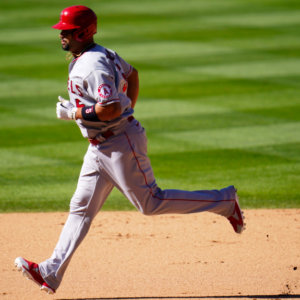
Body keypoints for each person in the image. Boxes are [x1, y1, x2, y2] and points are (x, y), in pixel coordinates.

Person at [14, 5, 245, 295]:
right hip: (100, 147)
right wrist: (129, 108)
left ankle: (224, 201)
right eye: (62, 30)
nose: (61, 34)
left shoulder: (93, 65)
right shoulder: (98, 54)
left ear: (84, 32)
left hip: (120, 144)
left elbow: (109, 108)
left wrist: (74, 113)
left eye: (67, 31)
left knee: (151, 202)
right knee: (81, 209)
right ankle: (50, 272)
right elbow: (133, 75)